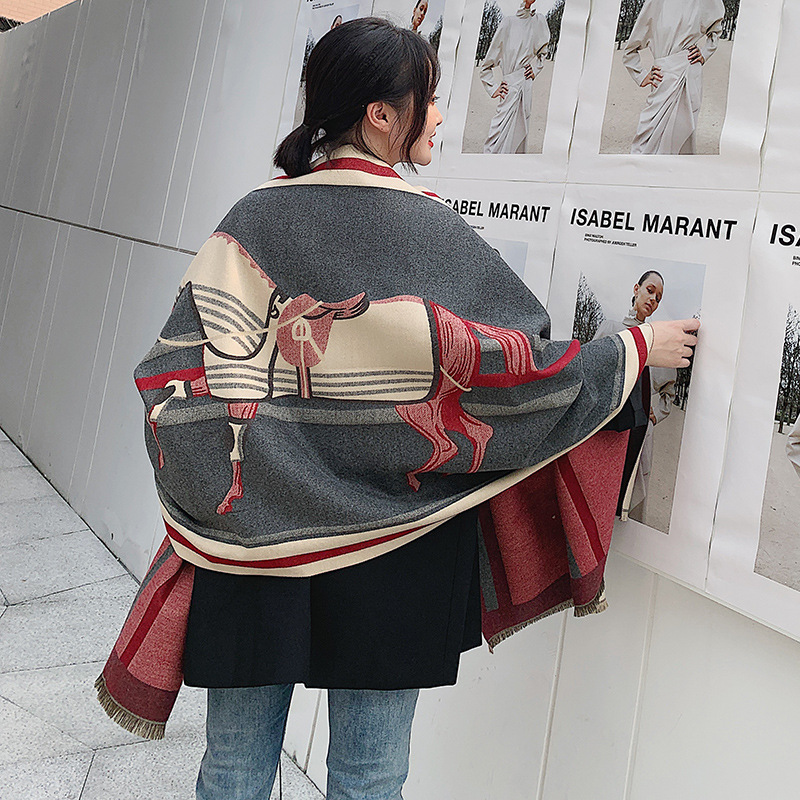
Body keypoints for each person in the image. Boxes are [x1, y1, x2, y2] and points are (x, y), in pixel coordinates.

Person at [95, 18, 698, 800]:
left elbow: (175, 371)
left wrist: (259, 475)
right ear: (382, 114)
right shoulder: (432, 230)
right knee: (370, 778)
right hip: (401, 544)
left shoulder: (251, 221)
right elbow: (510, 369)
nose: (440, 115)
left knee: (235, 770)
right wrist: (635, 350)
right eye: (431, 98)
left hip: (253, 548)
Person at [593, 270, 678, 518]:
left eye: (658, 298)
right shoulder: (611, 329)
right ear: (636, 289)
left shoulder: (656, 344)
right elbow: (591, 372)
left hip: (640, 430)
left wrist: (655, 412)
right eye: (650, 290)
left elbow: (669, 392)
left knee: (629, 496)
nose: (653, 299)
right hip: (608, 426)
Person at [622, 0, 725, 154]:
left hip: (688, 73)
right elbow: (630, 50)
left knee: (682, 134)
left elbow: (716, 28)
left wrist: (705, 53)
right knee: (646, 139)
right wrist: (641, 75)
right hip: (662, 78)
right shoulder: (654, 3)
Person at [478, 0, 550, 154]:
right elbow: (486, 66)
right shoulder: (508, 23)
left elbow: (543, 52)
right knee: (495, 139)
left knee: (519, 138)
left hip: (525, 87)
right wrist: (494, 88)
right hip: (509, 90)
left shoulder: (538, 22)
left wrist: (536, 69)